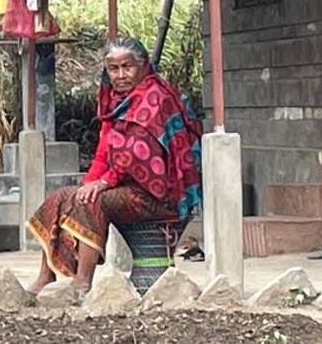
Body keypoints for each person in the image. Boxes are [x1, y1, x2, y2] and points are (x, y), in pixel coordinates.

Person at [25, 37, 202, 294]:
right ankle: (46, 275)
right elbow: (102, 153)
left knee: (92, 201)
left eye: (127, 67)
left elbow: (137, 154)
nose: (120, 75)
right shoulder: (114, 100)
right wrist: (87, 185)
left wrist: (104, 183)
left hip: (160, 193)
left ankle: (82, 283)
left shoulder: (155, 98)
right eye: (113, 68)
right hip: (128, 186)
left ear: (143, 66)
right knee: (62, 197)